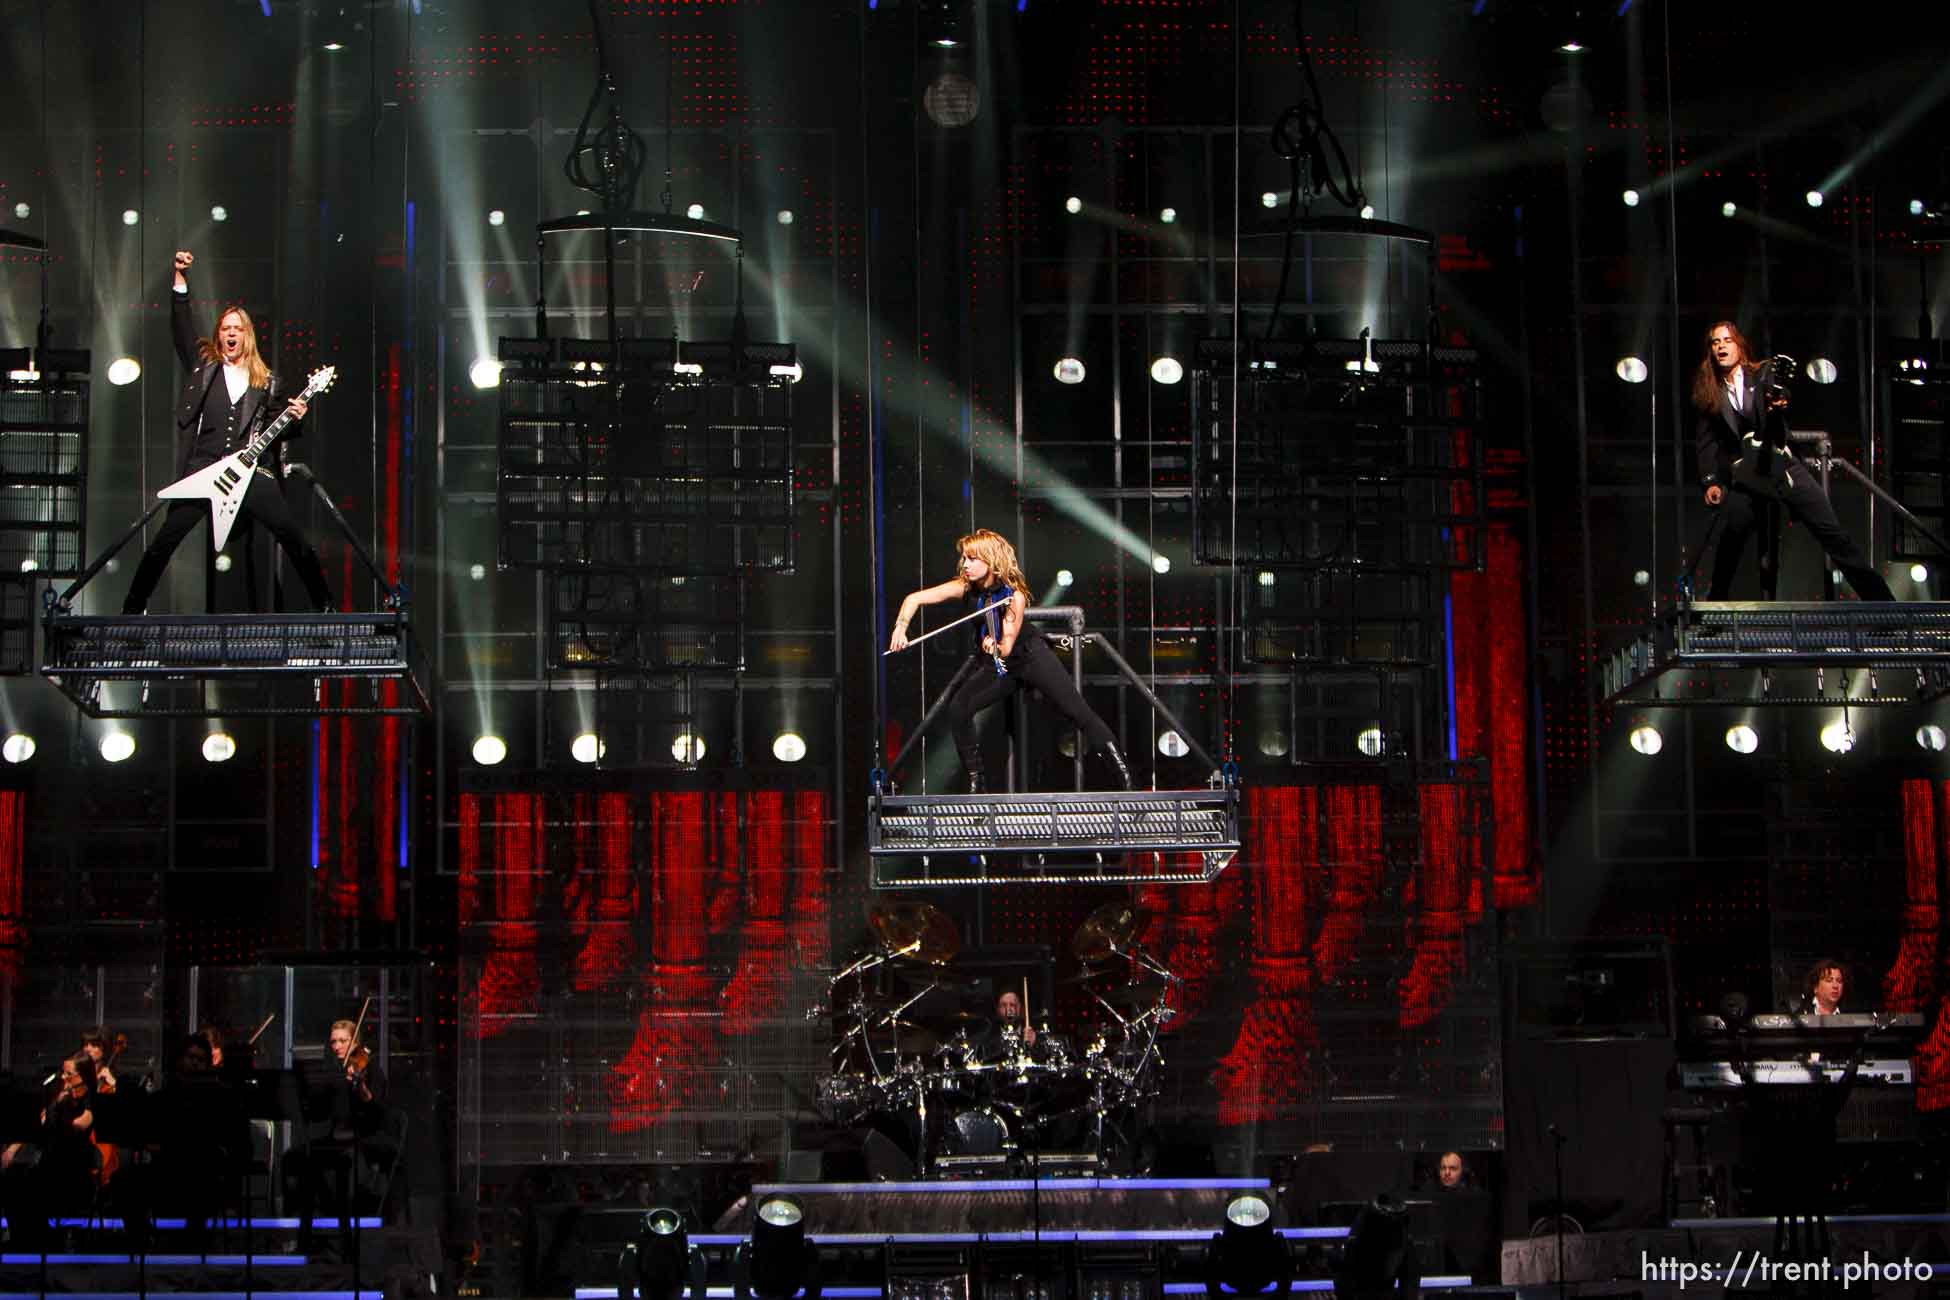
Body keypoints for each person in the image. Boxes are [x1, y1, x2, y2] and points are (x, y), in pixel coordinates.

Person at [120, 249, 335, 616]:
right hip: (203, 467)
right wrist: (180, 280)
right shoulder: (205, 368)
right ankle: (131, 611)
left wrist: (295, 417)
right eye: (225, 328)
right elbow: (182, 329)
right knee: (164, 541)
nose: (231, 333)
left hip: (248, 471)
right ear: (219, 336)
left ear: (246, 335)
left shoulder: (266, 383)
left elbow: (274, 430)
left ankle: (326, 606)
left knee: (291, 535)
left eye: (237, 328)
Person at [889, 529, 1132, 793]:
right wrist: (901, 628)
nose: (965, 565)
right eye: (965, 558)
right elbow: (914, 599)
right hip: (999, 668)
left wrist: (996, 644)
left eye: (972, 559)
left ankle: (1124, 776)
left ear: (991, 560)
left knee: (1078, 712)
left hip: (1030, 656)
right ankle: (976, 781)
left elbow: (1007, 643)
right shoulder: (964, 587)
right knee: (959, 708)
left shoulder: (1012, 595)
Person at [1694, 320, 1892, 602]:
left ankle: (1883, 604)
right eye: (1716, 342)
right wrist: (1711, 482)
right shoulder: (1709, 391)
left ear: (1739, 345)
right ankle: (1713, 613)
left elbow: (1779, 396)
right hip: (1748, 476)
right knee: (1730, 539)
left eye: (1727, 340)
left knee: (1832, 534)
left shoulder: (1762, 373)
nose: (1721, 346)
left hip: (1783, 466)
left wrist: (1779, 403)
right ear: (1710, 350)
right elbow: (1705, 442)